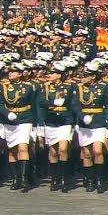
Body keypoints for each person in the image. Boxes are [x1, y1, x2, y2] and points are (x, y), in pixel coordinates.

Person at [0, 62, 38, 192]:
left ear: (20, 74)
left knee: (23, 147)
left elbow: (34, 105)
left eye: (13, 72)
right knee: (12, 149)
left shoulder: (28, 87)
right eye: (9, 72)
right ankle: (16, 178)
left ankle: (24, 179)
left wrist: (35, 124)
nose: (10, 74)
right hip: (10, 121)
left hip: (24, 119)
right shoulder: (3, 87)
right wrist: (7, 114)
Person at [72, 61, 108, 193]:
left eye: (86, 75)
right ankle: (90, 180)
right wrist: (81, 116)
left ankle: (100, 180)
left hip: (99, 122)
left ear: (93, 76)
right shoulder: (79, 88)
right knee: (87, 153)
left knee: (98, 150)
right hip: (85, 124)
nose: (83, 77)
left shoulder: (104, 87)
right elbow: (75, 105)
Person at [39, 61, 76, 193]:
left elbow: (73, 104)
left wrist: (75, 121)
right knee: (53, 151)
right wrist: (52, 103)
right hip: (51, 120)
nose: (50, 75)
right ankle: (54, 179)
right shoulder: (45, 87)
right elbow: (41, 101)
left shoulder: (70, 86)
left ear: (59, 75)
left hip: (65, 120)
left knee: (63, 149)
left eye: (53, 73)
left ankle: (63, 179)